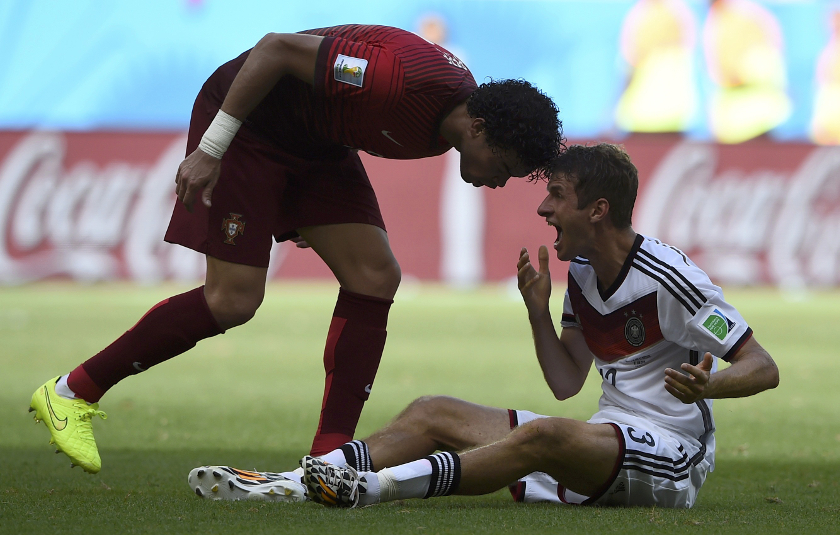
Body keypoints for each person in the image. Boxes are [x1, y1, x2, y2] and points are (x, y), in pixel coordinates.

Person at [28, 24, 564, 474]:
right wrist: (213, 148)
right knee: (233, 300)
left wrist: (306, 209)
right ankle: (72, 392)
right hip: (253, 127)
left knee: (375, 276)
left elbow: (349, 117)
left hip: (316, 145)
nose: (498, 183)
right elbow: (276, 50)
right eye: (504, 168)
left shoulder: (446, 122)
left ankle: (330, 459)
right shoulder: (393, 81)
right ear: (479, 129)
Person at [187, 143, 779, 508]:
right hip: (607, 438)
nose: (544, 209)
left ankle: (373, 489)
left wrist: (712, 386)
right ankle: (293, 483)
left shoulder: (668, 276)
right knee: (431, 411)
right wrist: (537, 312)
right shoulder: (581, 274)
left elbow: (763, 367)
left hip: (672, 456)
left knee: (542, 438)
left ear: (597, 210)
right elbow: (566, 382)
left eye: (557, 196)